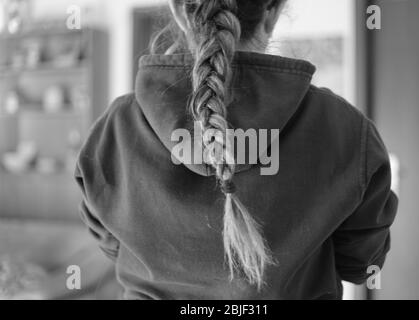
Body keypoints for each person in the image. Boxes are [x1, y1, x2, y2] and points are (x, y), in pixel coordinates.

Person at [74, 0, 398, 299]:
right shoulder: (345, 129)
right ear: (272, 10)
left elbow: (114, 247)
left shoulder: (112, 130)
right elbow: (360, 264)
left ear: (178, 9)